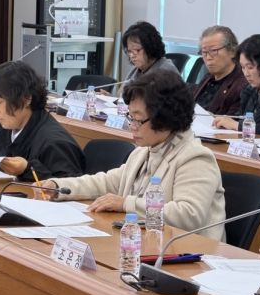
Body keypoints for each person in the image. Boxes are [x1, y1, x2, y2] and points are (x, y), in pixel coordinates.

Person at [36, 70, 226, 241]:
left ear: (165, 117)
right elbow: (106, 183)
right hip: (145, 242)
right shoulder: (143, 151)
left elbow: (188, 215)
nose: (132, 127)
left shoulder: (196, 157)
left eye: (138, 120)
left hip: (188, 253)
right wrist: (58, 187)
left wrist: (127, 204)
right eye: (130, 118)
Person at [212, 35, 260, 137]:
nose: (246, 73)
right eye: (242, 67)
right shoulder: (249, 90)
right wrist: (219, 118)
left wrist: (238, 126)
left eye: (250, 67)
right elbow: (240, 116)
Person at [193, 26, 247, 115]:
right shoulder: (208, 77)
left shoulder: (242, 86)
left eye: (214, 50)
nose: (208, 57)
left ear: (232, 51)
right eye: (204, 52)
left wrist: (211, 118)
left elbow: (234, 120)